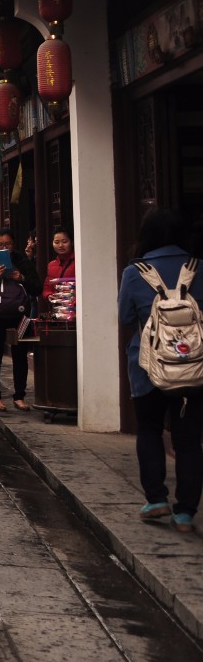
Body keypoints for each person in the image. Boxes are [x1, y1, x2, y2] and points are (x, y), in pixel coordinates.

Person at [116, 209, 201, 533]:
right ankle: (185, 513)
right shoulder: (198, 269)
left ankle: (156, 498)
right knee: (190, 440)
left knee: (150, 429)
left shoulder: (135, 273)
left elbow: (125, 317)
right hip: (194, 367)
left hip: (148, 366)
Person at [0, 226, 42, 411]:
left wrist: (21, 277)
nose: (3, 248)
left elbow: (36, 288)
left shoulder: (22, 261)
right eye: (0, 244)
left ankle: (19, 396)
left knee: (20, 355)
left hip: (20, 316)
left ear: (13, 244)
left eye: (7, 244)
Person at [45, 228, 76, 295]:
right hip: (58, 303)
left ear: (72, 242)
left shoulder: (78, 262)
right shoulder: (51, 265)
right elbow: (47, 286)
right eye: (56, 242)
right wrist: (49, 295)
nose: (60, 245)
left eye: (64, 242)